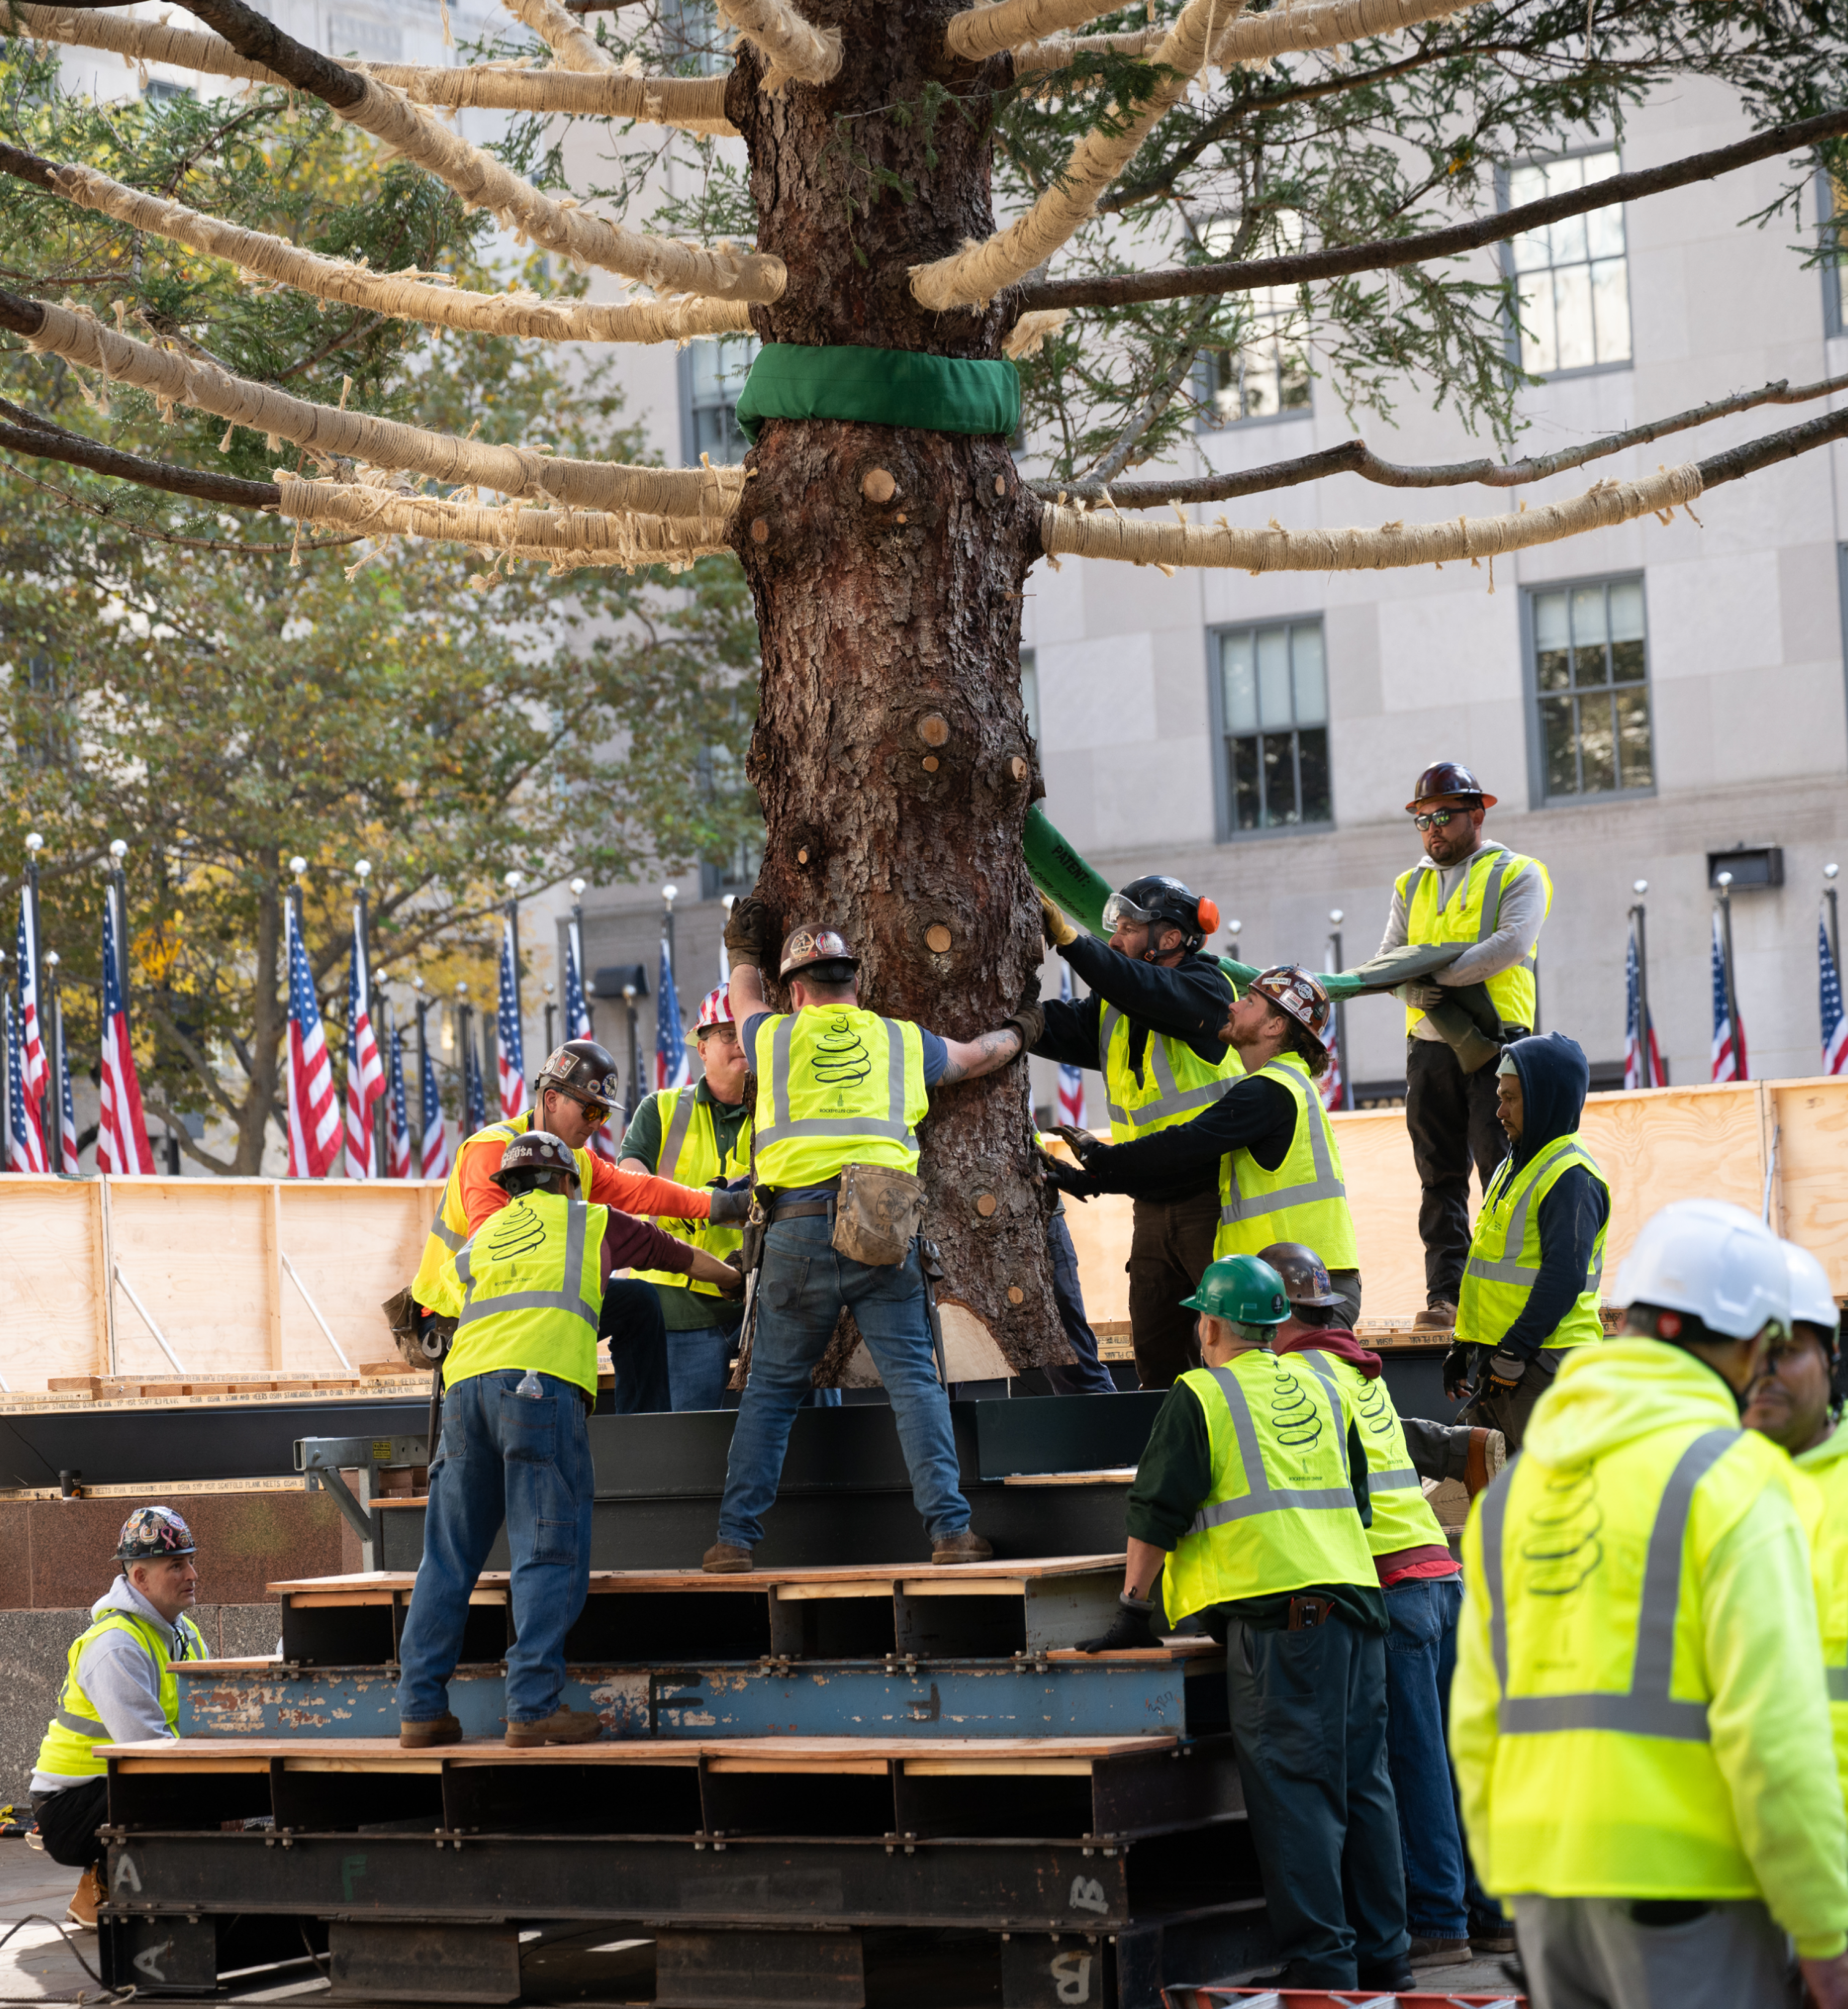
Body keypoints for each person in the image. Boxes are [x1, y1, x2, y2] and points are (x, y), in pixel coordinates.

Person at [1451, 1198, 1848, 2009]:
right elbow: (1774, 1739)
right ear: (1738, 1342)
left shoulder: (1515, 1494)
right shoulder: (1734, 1485)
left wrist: (1518, 1889)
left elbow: (1477, 1722)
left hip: (1548, 1894)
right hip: (1688, 1892)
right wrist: (1825, 1935)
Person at [1078, 1254, 1409, 1992]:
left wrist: (1135, 1609)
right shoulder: (1326, 1386)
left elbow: (1156, 1511)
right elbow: (1356, 1499)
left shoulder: (1203, 1396)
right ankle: (1387, 1958)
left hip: (1284, 1628)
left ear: (1212, 1325)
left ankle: (1324, 1973)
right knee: (1364, 1787)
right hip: (1358, 1608)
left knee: (1297, 1796)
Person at [703, 906, 1041, 1573]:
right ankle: (950, 1532)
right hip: (881, 1216)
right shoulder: (902, 1042)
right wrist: (1023, 1027)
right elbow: (979, 1058)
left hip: (795, 1227)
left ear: (796, 991)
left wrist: (742, 945)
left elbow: (742, 992)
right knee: (914, 1382)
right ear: (855, 984)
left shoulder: (770, 1038)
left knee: (771, 1391)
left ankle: (734, 1541)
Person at [398, 1131, 742, 1748]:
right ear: (566, 1181)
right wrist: (735, 1281)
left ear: (510, 1188)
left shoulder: (483, 1239)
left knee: (446, 1559)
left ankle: (420, 1711)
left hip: (464, 1394)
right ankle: (531, 1708)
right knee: (546, 1551)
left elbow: (436, 1297)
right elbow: (679, 1258)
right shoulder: (592, 1221)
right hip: (538, 1394)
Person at [1261, 1239, 1504, 1968]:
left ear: (1274, 1318)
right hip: (1440, 1571)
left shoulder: (1294, 1378)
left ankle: (1437, 1919)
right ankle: (1491, 1909)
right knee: (1460, 1759)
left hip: (1395, 1587)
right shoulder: (1355, 1368)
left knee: (1416, 1762)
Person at [409, 1037, 749, 1414]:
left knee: (639, 1303)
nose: (596, 1124)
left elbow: (640, 1191)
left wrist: (721, 1205)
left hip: (530, 1301)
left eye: (603, 1115)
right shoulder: (492, 1151)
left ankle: (643, 1433)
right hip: (460, 1315)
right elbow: (494, 1256)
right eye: (590, 1112)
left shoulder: (575, 1160)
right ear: (552, 1100)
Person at [1051, 966, 1362, 1329]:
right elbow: (1194, 1163)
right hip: (1301, 1282)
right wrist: (1091, 1181)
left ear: (1275, 1026)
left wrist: (1100, 1158)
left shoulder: (1269, 1091)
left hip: (1301, 1289)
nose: (1232, 1006)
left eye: (1249, 1002)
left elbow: (1184, 1144)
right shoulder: (1284, 1085)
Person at [1035, 877, 1240, 1388]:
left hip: (1211, 1204)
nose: (1116, 940)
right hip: (1148, 1206)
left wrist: (1069, 941)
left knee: (1235, 1353)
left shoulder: (1206, 990)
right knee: (1157, 1360)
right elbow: (1058, 1024)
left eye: (1128, 928)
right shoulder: (1114, 1006)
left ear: (1169, 939)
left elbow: (1145, 989)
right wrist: (1012, 1023)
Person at [1376, 762, 1551, 1332]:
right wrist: (1411, 983)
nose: (1433, 829)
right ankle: (1447, 1296)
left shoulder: (1519, 873)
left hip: (1500, 1046)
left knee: (1500, 1170)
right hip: (1428, 1048)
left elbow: (1508, 945)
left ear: (1477, 814)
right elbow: (1388, 961)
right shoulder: (1410, 884)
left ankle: (1511, 1293)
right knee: (1438, 1177)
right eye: (1423, 820)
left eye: (1444, 816)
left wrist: (1431, 980)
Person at [31, 1506, 209, 1927]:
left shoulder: (185, 1633)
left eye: (191, 1561)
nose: (193, 1575)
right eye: (177, 1565)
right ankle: (112, 1882)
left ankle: (121, 1880)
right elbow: (147, 1753)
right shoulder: (116, 1645)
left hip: (113, 1785)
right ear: (140, 1579)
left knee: (214, 1792)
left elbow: (209, 1720)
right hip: (71, 1807)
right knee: (184, 1796)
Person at [1447, 1031, 1609, 1453]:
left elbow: (1564, 1274)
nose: (1499, 1111)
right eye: (1499, 1096)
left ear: (1546, 1100)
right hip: (1511, 1357)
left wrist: (1515, 1351)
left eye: (1512, 1099)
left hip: (1545, 1360)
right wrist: (1467, 1344)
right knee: (1487, 1475)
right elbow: (1491, 1263)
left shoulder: (1570, 1176)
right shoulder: (1515, 1164)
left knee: (1548, 1492)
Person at [1742, 1240, 1848, 1814]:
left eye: (1783, 1351)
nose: (1762, 1374)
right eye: (1747, 1354)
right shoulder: (1705, 1490)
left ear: (1830, 1355)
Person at [619, 986, 753, 1411]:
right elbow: (630, 1189)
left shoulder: (784, 1109)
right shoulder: (660, 1111)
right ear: (702, 1047)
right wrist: (710, 1202)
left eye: (749, 1033)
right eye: (729, 1034)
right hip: (679, 1310)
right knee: (684, 1443)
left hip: (768, 1304)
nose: (742, 1045)